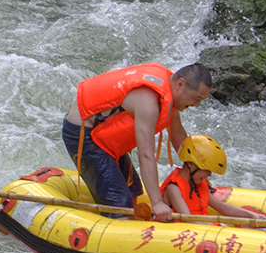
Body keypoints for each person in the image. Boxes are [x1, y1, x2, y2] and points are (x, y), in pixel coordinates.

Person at [62, 61, 213, 219]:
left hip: (103, 136)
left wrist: (195, 169)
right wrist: (157, 203)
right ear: (180, 84)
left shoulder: (170, 91)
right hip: (83, 135)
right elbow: (146, 155)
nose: (197, 105)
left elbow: (178, 134)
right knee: (119, 202)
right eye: (197, 98)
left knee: (133, 188)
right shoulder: (148, 102)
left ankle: (132, 223)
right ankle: (118, 227)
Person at [159, 133, 261, 220]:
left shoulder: (197, 185)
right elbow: (188, 219)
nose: (209, 175)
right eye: (207, 170)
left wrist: (252, 215)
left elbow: (222, 207)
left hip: (201, 227)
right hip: (186, 231)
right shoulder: (173, 189)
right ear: (190, 164)